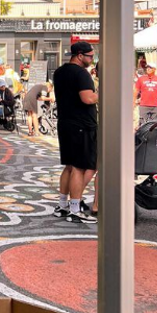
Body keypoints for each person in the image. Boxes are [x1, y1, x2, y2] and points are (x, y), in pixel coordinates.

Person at [54, 41, 99, 224]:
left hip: (65, 122)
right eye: (90, 56)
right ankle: (74, 209)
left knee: (70, 166)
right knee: (79, 168)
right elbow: (87, 98)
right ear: (80, 55)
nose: (92, 59)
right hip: (82, 125)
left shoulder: (59, 72)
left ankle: (62, 206)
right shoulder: (81, 74)